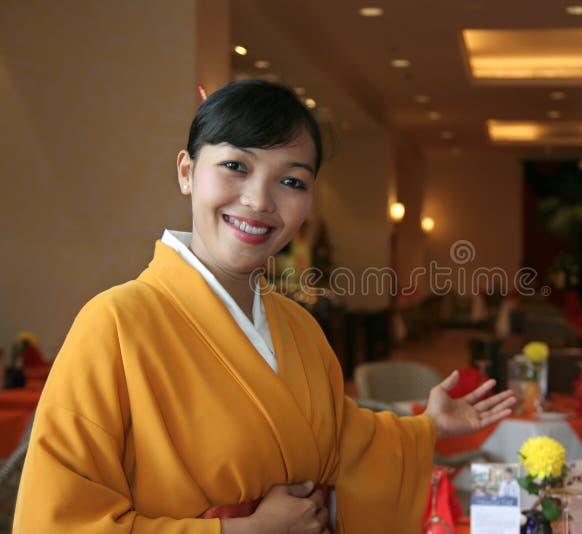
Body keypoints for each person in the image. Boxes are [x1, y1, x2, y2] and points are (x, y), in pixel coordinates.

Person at [13, 80, 515, 534]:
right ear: (187, 172)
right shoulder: (114, 324)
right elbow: (57, 522)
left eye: (291, 181)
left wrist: (428, 427)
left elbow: (344, 441)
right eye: (236, 166)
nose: (259, 200)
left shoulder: (297, 326)